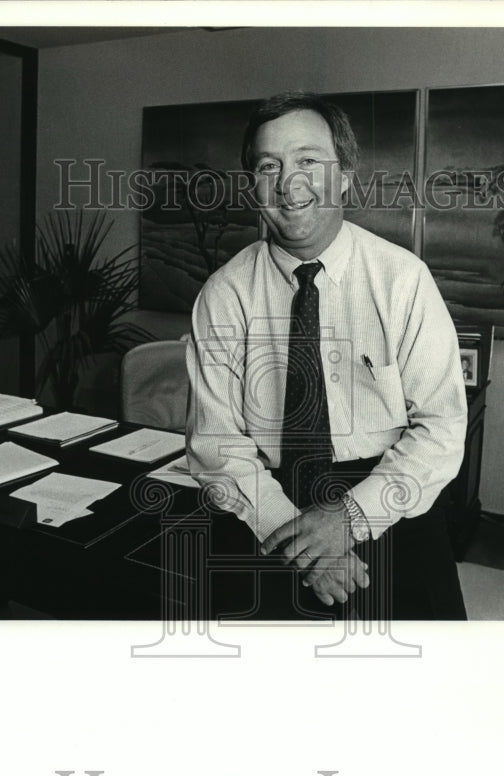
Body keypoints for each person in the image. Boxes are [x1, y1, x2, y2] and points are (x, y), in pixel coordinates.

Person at [184, 91, 468, 620]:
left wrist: (349, 519)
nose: (289, 185)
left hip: (388, 496)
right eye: (270, 166)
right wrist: (299, 541)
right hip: (264, 503)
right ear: (254, 186)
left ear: (344, 177)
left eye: (309, 161)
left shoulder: (402, 280)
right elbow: (215, 445)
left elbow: (443, 428)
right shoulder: (223, 296)